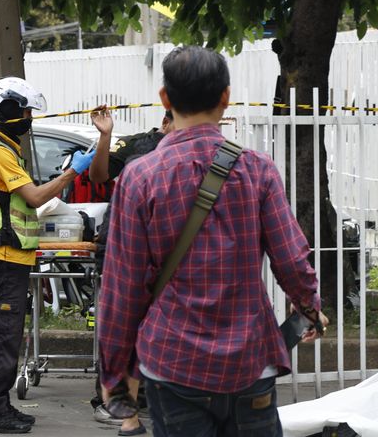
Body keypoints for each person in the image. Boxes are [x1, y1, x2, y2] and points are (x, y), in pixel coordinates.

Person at [98, 46, 327, 437]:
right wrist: (309, 308)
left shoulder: (140, 176)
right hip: (249, 361)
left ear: (165, 99)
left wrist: (116, 374)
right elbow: (291, 260)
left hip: (172, 361)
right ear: (226, 97)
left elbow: (122, 287)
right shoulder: (258, 168)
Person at [0, 77, 95, 433]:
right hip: (6, 253)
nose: (28, 117)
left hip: (12, 253)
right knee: (3, 337)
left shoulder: (3, 147)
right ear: (8, 110)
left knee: (7, 336)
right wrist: (73, 172)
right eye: (25, 110)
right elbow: (36, 198)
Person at [85, 108, 174, 435]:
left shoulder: (202, 153)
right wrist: (105, 136)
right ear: (165, 122)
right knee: (123, 323)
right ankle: (112, 402)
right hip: (124, 245)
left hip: (170, 253)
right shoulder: (138, 146)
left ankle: (150, 399)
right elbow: (97, 177)